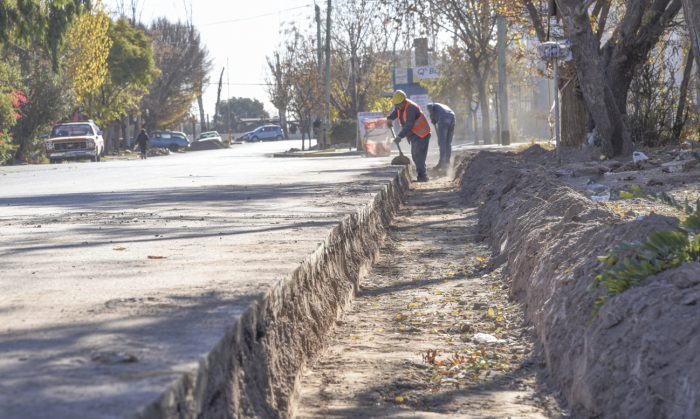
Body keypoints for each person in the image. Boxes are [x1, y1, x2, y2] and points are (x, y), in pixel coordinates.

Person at [387, 90, 432, 182]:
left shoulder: (411, 108)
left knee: (419, 155)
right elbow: (396, 112)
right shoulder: (400, 107)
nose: (398, 106)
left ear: (404, 100)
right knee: (415, 155)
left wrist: (399, 136)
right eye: (397, 105)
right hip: (415, 135)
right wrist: (390, 118)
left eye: (399, 104)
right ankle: (421, 175)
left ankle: (423, 176)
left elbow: (409, 125)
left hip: (422, 134)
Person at [427, 102, 456, 172]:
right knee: (448, 142)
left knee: (442, 142)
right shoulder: (442, 106)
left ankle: (442, 162)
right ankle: (447, 161)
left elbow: (431, 113)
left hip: (444, 118)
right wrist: (434, 120)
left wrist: (432, 119)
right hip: (453, 118)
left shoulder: (432, 106)